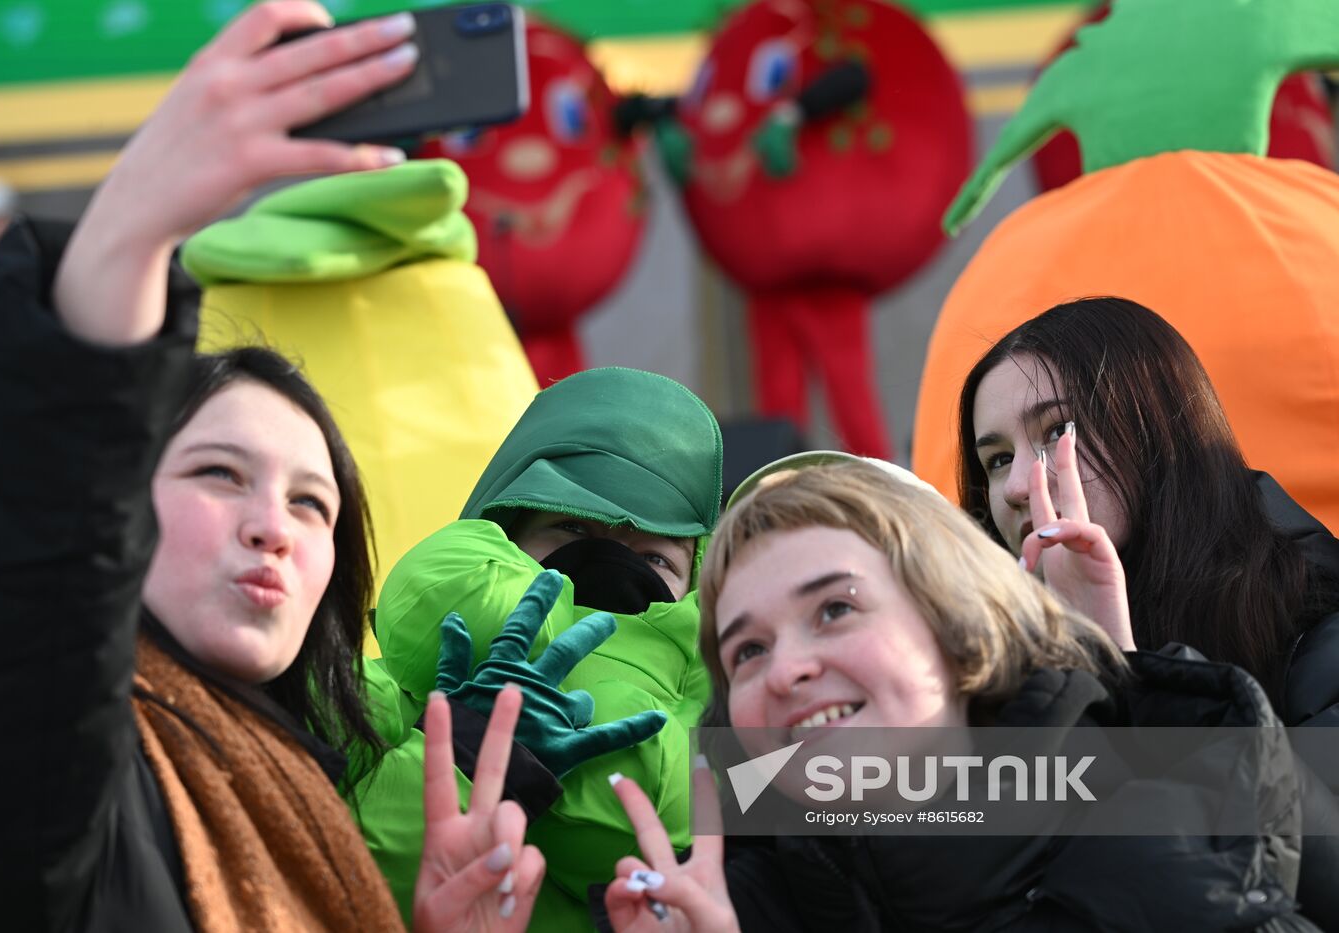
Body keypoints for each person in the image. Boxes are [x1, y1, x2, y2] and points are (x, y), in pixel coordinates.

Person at [0, 4, 544, 930]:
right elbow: (36, 566)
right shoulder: (41, 761)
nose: (273, 524)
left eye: (314, 504)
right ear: (115, 501)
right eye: (220, 473)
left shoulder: (315, 787)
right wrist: (133, 219)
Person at [598, 448, 1338, 931]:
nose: (785, 668)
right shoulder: (703, 907)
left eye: (834, 608)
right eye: (748, 649)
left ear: (956, 623)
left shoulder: (1159, 855)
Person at [357, 366, 724, 931]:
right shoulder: (373, 694)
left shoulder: (744, 720)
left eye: (654, 559)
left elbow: (888, 801)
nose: (609, 571)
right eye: (572, 531)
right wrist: (464, 758)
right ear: (504, 532)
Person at [958, 297, 1339, 726]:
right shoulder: (984, 674)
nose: (1015, 486)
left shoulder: (1318, 629)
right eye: (998, 459)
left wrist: (1124, 673)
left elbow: (1283, 793)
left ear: (1156, 430)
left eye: (1057, 430)